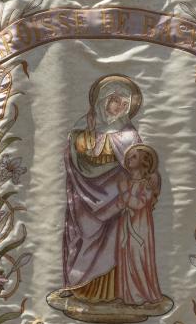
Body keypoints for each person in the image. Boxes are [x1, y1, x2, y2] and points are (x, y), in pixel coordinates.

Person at [61, 75, 145, 303]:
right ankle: (79, 286)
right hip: (84, 198)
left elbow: (138, 165)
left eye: (126, 104)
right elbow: (74, 161)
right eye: (117, 101)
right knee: (85, 237)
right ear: (103, 101)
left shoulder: (129, 134)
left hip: (117, 199)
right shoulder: (81, 128)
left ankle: (114, 293)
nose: (120, 107)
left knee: (113, 241)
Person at [113, 144, 163, 306]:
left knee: (138, 257)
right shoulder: (127, 182)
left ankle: (143, 294)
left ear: (144, 161)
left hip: (140, 227)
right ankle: (128, 295)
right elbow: (122, 203)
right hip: (126, 224)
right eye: (128, 157)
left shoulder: (147, 183)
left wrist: (123, 191)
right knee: (125, 256)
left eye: (133, 157)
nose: (128, 159)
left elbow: (138, 204)